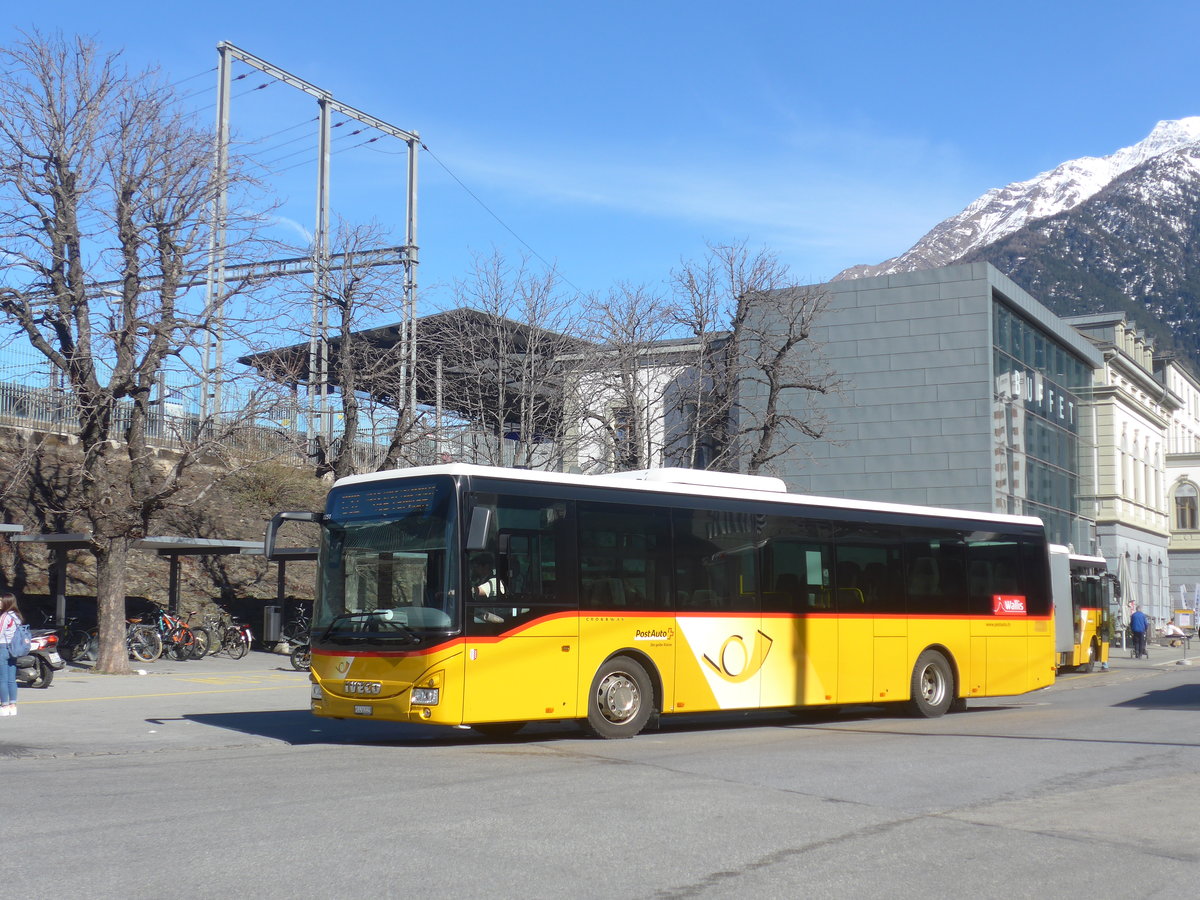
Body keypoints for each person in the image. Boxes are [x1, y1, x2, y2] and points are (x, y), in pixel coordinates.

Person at [0, 592, 22, 716]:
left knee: (2, 678)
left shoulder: (5, 616)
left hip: (3, 647)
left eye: (1, 600)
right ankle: (13, 706)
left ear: (6, 602)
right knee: (11, 679)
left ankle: (4, 705)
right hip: (14, 649)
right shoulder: (17, 616)